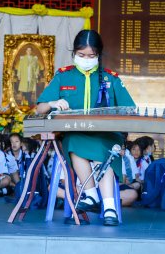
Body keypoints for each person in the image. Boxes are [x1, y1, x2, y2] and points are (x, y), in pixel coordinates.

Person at [36, 29, 135, 226]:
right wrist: (54, 103)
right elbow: (40, 108)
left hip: (106, 136)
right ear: (74, 53)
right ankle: (102, 202)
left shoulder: (110, 78)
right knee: (74, 140)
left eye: (92, 56)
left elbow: (130, 108)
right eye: (81, 55)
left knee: (103, 151)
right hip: (77, 134)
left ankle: (100, 202)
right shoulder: (64, 76)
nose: (86, 59)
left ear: (99, 55)